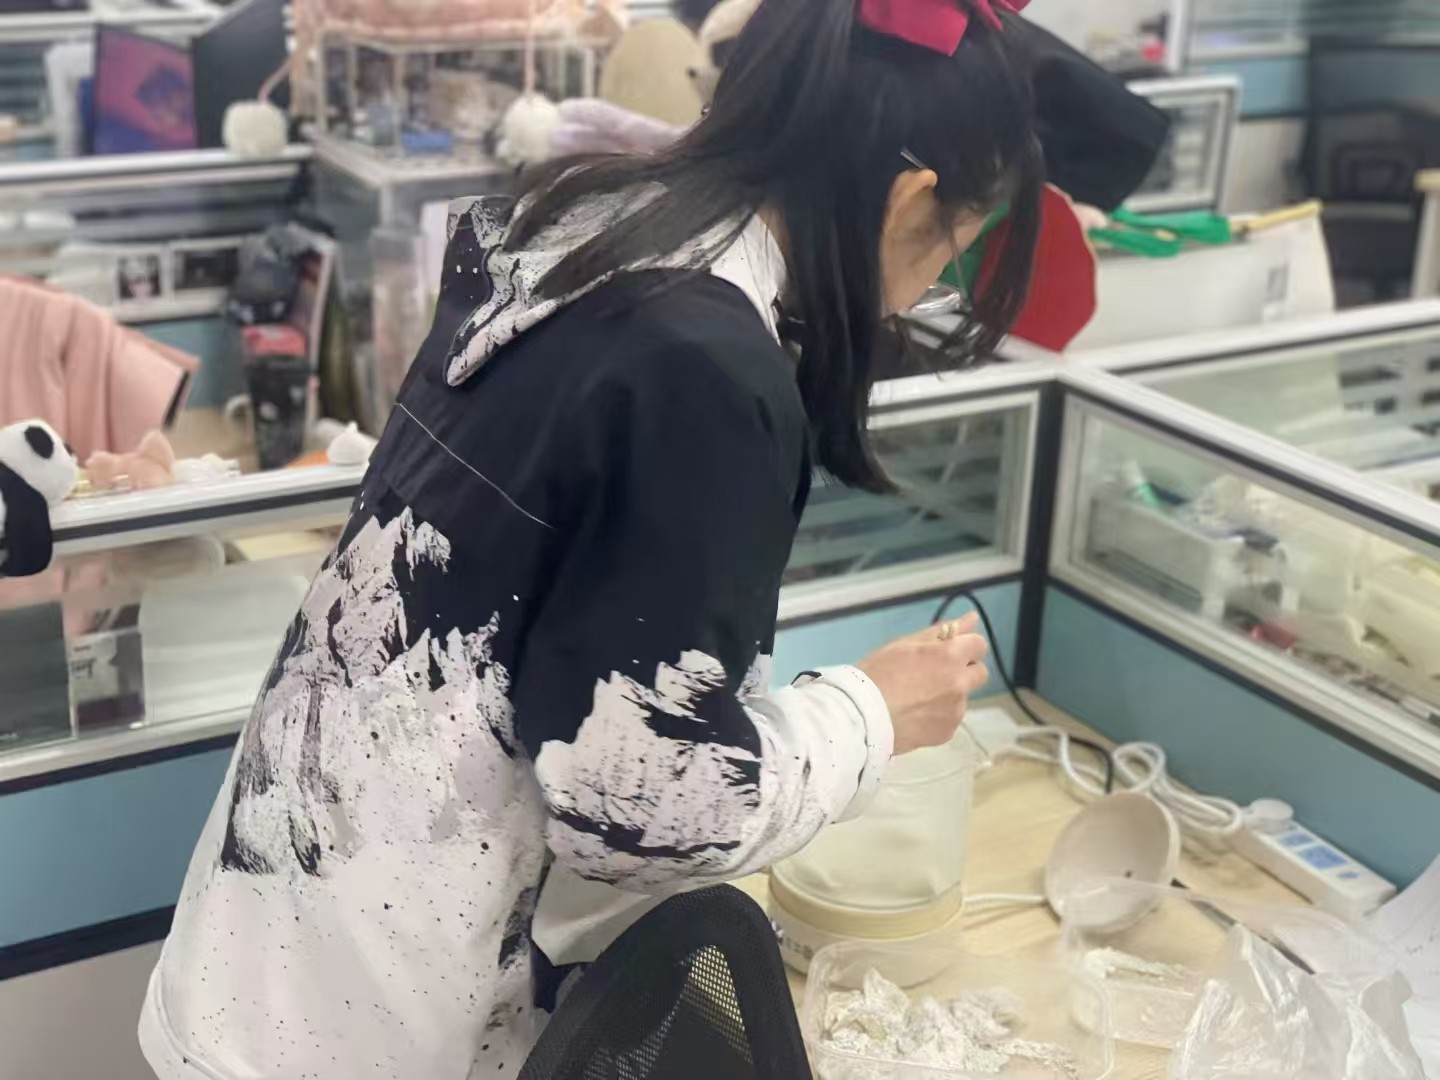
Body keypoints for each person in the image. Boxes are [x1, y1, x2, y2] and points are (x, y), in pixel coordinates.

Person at [138, 0, 1042, 1077]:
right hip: (375, 1027)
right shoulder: (703, 372)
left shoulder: (580, 232)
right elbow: (640, 810)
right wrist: (871, 713)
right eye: (958, 246)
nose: (937, 282)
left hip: (271, 949)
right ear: (909, 198)